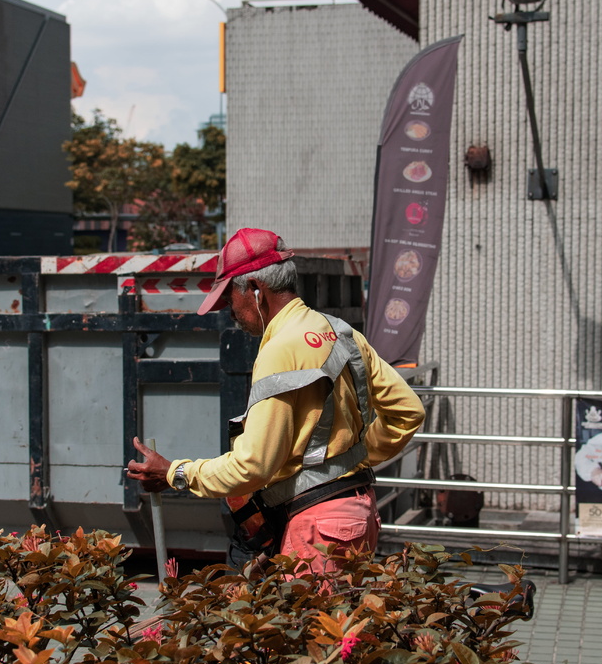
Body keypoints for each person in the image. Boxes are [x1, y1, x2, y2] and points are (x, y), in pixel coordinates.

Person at [127, 228, 425, 572]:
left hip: (317, 526)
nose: (229, 310)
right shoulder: (342, 331)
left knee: (313, 626)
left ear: (255, 289)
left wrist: (175, 473)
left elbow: (253, 467)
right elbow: (408, 412)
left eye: (230, 297)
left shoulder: (280, 350)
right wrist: (347, 462)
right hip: (358, 513)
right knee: (346, 625)